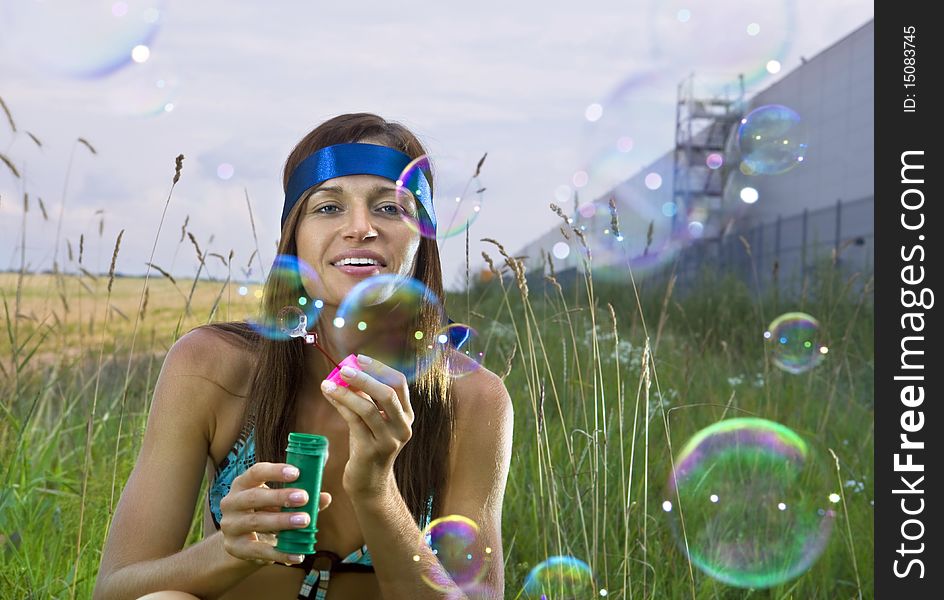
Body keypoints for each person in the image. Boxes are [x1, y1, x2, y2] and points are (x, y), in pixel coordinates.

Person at [93, 113, 513, 600]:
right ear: (294, 233)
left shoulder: (472, 398)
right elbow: (117, 590)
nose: (361, 228)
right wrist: (229, 549)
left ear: (423, 235)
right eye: (329, 207)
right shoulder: (210, 366)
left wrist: (377, 490)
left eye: (390, 209)